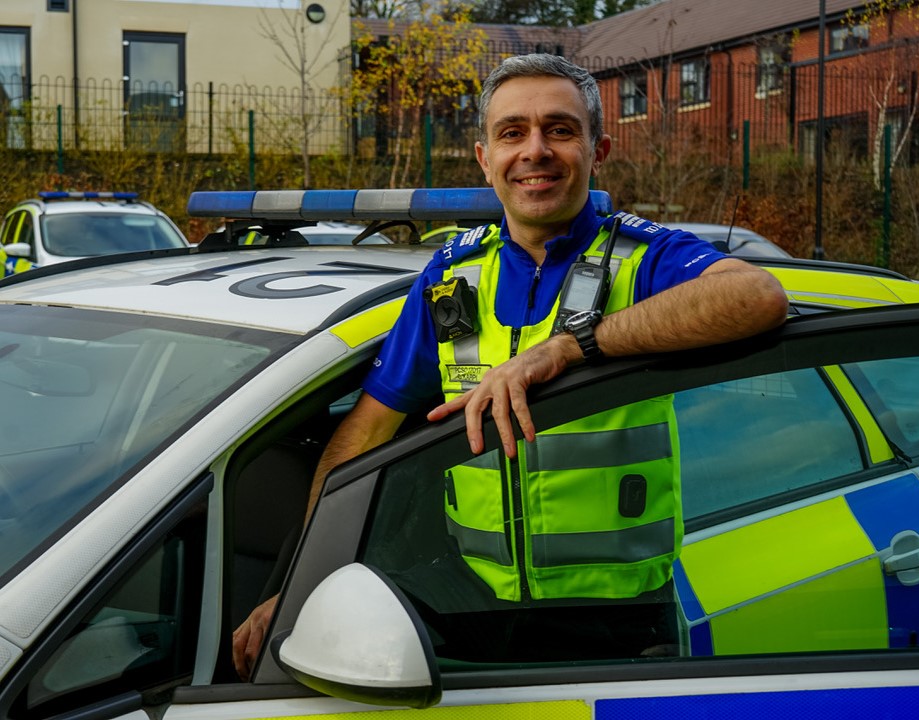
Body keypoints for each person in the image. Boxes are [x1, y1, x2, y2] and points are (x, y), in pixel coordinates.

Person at [232, 53, 789, 679]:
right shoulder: (453, 274)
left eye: (560, 129)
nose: (535, 150)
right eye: (512, 132)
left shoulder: (642, 258)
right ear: (484, 157)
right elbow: (363, 436)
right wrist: (302, 585)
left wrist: (571, 347)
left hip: (618, 623)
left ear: (598, 150)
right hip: (471, 608)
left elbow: (757, 297)